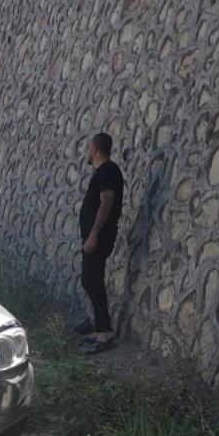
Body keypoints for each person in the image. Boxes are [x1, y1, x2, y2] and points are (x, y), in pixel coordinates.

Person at [79, 132, 124, 354]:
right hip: (95, 237)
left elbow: (106, 204)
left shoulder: (108, 171)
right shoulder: (104, 172)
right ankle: (99, 328)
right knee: (91, 279)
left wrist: (94, 234)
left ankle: (105, 331)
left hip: (100, 237)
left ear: (95, 149)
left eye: (89, 148)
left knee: (90, 279)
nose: (88, 152)